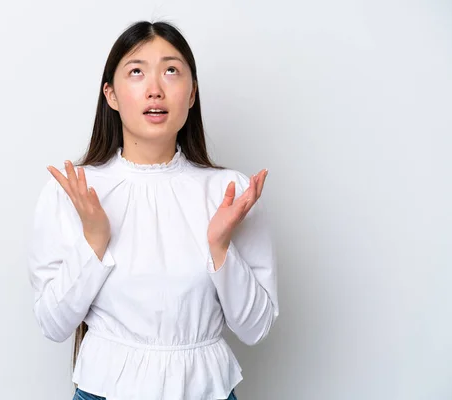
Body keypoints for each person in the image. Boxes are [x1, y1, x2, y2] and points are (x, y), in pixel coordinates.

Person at [27, 20, 279, 400]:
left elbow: (255, 328)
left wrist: (220, 247)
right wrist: (94, 242)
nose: (155, 89)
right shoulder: (75, 191)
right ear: (110, 94)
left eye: (171, 70)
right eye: (136, 72)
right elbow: (53, 323)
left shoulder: (232, 193)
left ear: (192, 94)